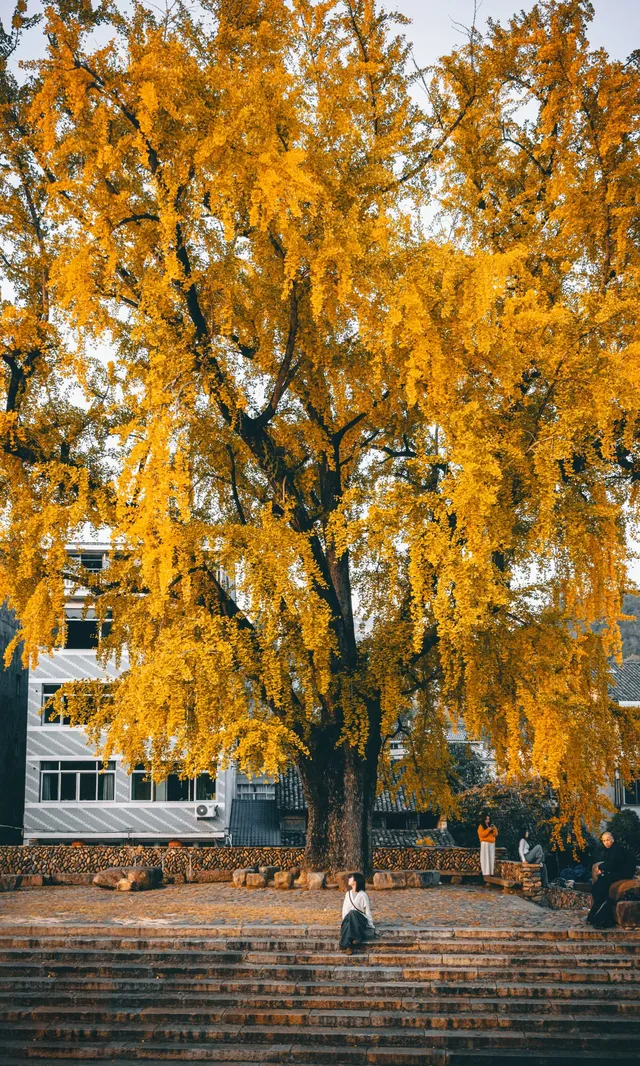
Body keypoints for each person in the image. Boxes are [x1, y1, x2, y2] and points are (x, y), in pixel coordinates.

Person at [586, 830, 636, 929]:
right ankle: (594, 917)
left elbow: (612, 864)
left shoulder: (616, 849)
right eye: (604, 841)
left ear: (612, 839)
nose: (606, 843)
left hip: (621, 875)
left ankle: (596, 918)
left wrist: (601, 867)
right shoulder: (613, 850)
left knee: (600, 889)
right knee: (597, 887)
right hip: (616, 874)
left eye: (608, 840)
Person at [340, 872, 374, 951]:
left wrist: (370, 925)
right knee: (349, 918)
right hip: (349, 919)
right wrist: (344, 921)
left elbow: (367, 911)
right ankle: (349, 945)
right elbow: (345, 910)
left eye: (351, 878)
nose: (349, 879)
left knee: (353, 913)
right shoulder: (347, 894)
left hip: (360, 920)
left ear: (355, 881)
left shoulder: (363, 895)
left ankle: (345, 944)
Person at [478, 812, 498, 876]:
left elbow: (495, 834)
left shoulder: (491, 825)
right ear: (484, 820)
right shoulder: (481, 826)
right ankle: (486, 872)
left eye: (488, 819)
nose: (488, 821)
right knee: (485, 857)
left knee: (491, 857)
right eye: (486, 819)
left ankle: (491, 871)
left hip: (491, 843)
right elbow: (481, 835)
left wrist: (493, 828)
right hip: (485, 843)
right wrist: (488, 830)